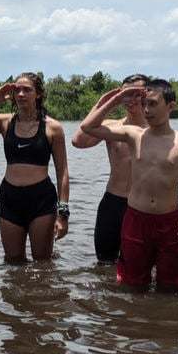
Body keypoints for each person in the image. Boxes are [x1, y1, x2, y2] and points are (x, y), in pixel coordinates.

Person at [80, 80, 178, 289]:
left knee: (173, 286)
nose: (147, 110)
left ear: (171, 106)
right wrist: (117, 99)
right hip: (136, 219)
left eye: (153, 104)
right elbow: (88, 127)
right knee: (132, 284)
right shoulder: (133, 135)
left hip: (169, 220)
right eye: (145, 104)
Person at [0, 73, 69, 262]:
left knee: (42, 262)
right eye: (17, 89)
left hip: (41, 198)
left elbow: (63, 172)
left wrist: (63, 212)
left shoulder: (53, 128)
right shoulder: (5, 122)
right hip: (10, 197)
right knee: (12, 260)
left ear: (38, 94)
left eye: (27, 90)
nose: (20, 94)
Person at [71, 73, 149, 265]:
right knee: (105, 263)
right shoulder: (111, 127)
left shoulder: (158, 130)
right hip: (113, 202)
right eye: (126, 95)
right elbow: (78, 141)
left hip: (144, 205)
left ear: (148, 93)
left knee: (142, 264)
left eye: (136, 93)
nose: (131, 100)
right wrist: (104, 103)